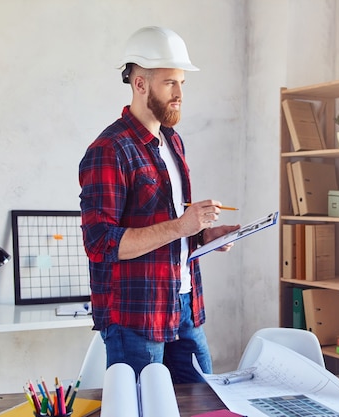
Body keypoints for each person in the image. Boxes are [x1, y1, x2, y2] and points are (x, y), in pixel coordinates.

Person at [79, 26, 239, 383]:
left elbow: (170, 228)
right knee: (142, 407)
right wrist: (183, 225)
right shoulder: (109, 150)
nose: (180, 93)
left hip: (183, 304)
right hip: (135, 318)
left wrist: (203, 234)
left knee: (206, 406)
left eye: (182, 82)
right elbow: (101, 243)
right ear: (139, 84)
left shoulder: (173, 142)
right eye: (170, 83)